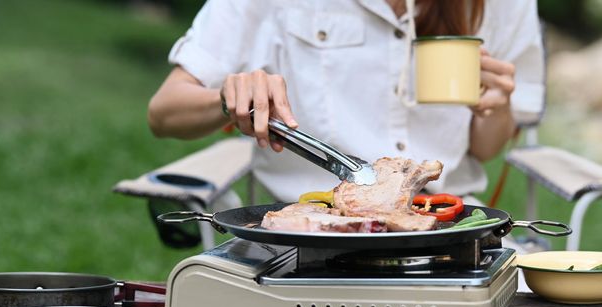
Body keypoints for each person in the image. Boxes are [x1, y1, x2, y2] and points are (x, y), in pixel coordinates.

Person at [148, 0, 544, 204]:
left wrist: (499, 104)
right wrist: (226, 98)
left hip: (447, 223)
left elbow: (485, 147)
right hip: (307, 236)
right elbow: (164, 112)